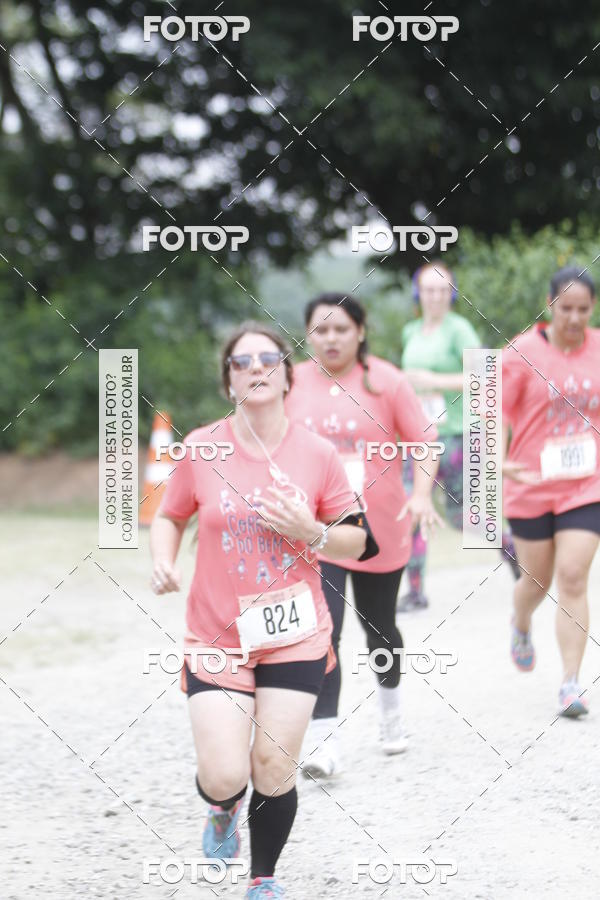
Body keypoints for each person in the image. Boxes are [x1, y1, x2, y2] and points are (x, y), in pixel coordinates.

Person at [150, 321, 376, 898]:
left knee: (274, 765)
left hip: (294, 631)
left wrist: (313, 530)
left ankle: (263, 878)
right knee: (227, 773)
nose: (255, 368)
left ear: (286, 376)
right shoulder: (203, 447)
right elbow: (171, 514)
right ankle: (221, 807)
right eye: (241, 361)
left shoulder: (317, 454)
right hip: (219, 634)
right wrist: (164, 560)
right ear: (229, 382)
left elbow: (359, 541)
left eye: (268, 359)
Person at [286, 293, 441, 776]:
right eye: (320, 330)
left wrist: (421, 496)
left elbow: (425, 441)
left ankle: (391, 713)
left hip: (380, 528)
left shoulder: (386, 381)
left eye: (340, 329)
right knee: (322, 631)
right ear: (308, 334)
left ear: (360, 331)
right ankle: (323, 742)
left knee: (379, 628)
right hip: (317, 531)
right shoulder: (292, 382)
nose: (330, 339)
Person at [503, 266, 600, 717]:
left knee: (574, 577)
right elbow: (483, 411)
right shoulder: (521, 352)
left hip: (586, 485)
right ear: (549, 306)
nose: (576, 318)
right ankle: (521, 622)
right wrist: (498, 461)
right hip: (531, 486)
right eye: (567, 308)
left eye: (584, 309)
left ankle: (570, 683)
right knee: (536, 581)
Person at [398, 261, 519, 612]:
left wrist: (435, 381)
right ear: (417, 293)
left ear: (451, 294)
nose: (434, 297)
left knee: (462, 517)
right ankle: (416, 591)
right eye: (428, 290)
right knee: (413, 508)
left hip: (458, 435)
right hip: (420, 437)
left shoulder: (459, 329)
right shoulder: (410, 332)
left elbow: (485, 376)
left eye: (441, 290)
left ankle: (510, 547)